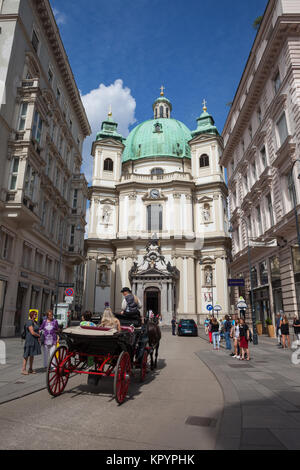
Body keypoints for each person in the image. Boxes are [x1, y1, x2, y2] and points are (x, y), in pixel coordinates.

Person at [22, 310, 41, 375]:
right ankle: (23, 369)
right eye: (35, 314)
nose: (36, 315)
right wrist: (39, 335)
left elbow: (37, 330)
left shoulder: (35, 322)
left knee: (32, 355)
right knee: (26, 355)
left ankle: (30, 369)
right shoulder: (29, 322)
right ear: (31, 315)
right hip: (29, 340)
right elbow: (32, 332)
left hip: (34, 340)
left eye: (36, 314)